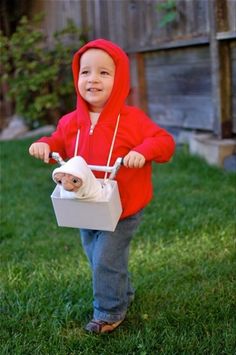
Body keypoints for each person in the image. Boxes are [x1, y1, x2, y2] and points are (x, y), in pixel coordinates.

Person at [29, 39, 175, 334]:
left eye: (104, 73)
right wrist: (44, 145)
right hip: (85, 202)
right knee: (96, 255)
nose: (93, 78)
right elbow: (57, 141)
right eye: (85, 72)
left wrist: (142, 151)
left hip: (122, 207)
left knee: (106, 258)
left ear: (119, 79)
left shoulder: (132, 119)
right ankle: (123, 291)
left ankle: (109, 311)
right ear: (77, 77)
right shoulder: (71, 122)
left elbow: (164, 142)